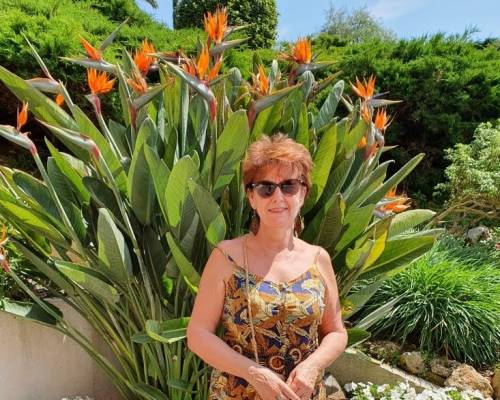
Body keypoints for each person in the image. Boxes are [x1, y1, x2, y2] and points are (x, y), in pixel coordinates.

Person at [187, 133, 348, 400]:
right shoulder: (226, 257)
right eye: (265, 188)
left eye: (289, 186)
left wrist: (312, 366)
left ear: (303, 193)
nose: (278, 197)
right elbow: (198, 334)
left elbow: (336, 332)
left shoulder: (318, 259)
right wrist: (254, 373)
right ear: (252, 197)